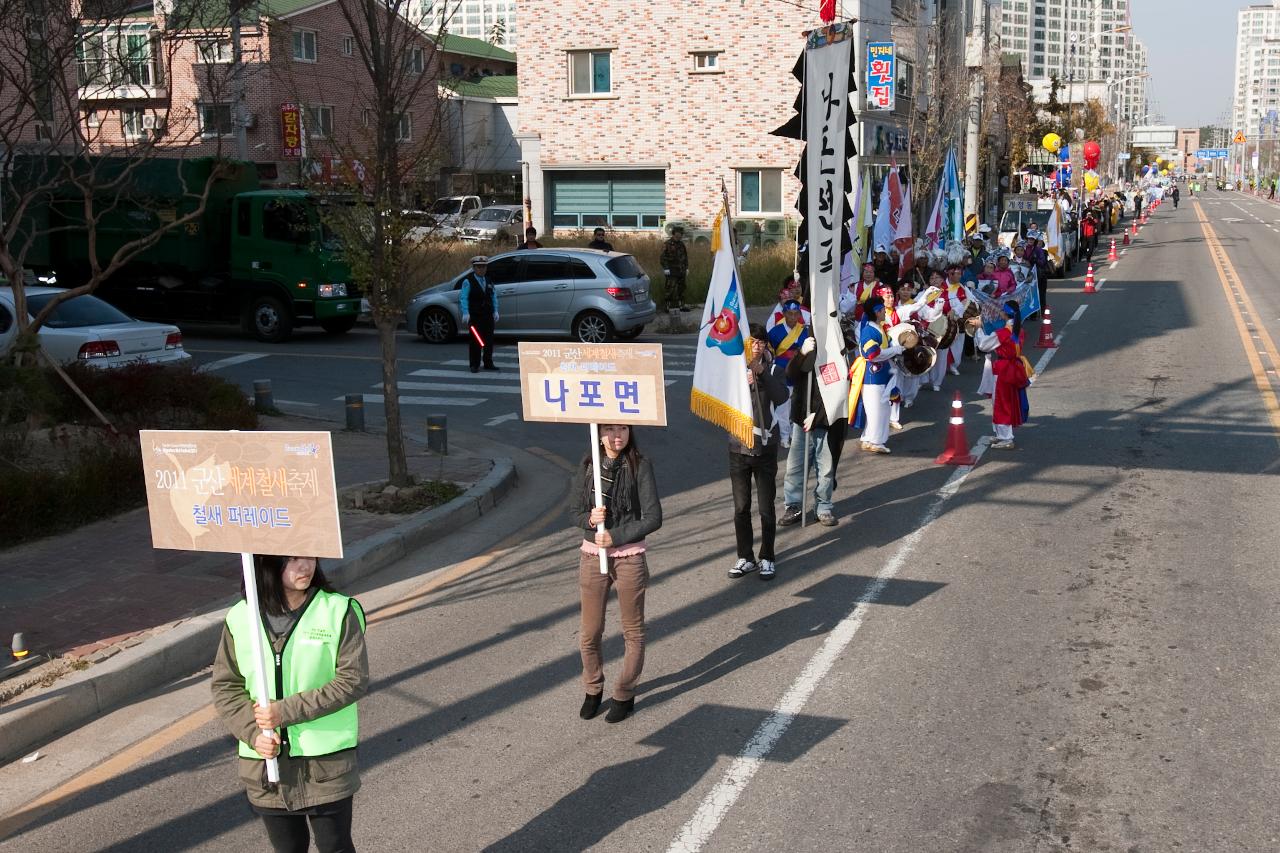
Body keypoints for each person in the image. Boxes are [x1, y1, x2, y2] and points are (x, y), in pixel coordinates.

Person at [212, 555, 368, 853]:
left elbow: (353, 679)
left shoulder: (339, 611)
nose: (305, 566)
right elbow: (226, 685)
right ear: (268, 564)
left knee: (334, 846)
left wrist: (283, 712)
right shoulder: (240, 617)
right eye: (293, 559)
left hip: (326, 763)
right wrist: (253, 733)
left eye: (309, 557)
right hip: (265, 765)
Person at [569, 423, 662, 723]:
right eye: (608, 428)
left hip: (629, 556)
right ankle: (593, 688)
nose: (616, 435)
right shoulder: (588, 464)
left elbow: (653, 517)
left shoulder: (640, 464)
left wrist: (617, 536)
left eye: (622, 428)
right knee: (590, 631)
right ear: (599, 432)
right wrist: (590, 518)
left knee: (632, 631)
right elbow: (574, 512)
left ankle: (625, 692)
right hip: (592, 556)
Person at [727, 324, 789, 581]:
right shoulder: (733, 370)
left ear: (766, 346)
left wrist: (761, 373)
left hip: (765, 447)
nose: (756, 346)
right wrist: (743, 382)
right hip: (738, 446)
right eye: (752, 342)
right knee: (741, 507)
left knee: (766, 507)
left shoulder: (774, 369)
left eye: (761, 342)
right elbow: (723, 400)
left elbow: (781, 396)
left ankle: (767, 557)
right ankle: (745, 557)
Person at [779, 336, 847, 527]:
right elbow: (790, 374)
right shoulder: (806, 352)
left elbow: (838, 394)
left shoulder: (835, 358)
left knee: (824, 469)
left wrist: (816, 417)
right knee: (795, 468)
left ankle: (823, 507)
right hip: (802, 421)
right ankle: (793, 506)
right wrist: (802, 353)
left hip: (824, 422)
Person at [849, 295, 902, 454]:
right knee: (878, 410)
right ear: (877, 312)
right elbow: (872, 354)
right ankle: (876, 442)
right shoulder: (869, 330)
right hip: (873, 376)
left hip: (880, 374)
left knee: (879, 408)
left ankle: (867, 438)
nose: (885, 311)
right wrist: (895, 350)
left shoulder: (878, 328)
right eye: (882, 309)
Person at [986, 301, 1031, 449]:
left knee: (1001, 402)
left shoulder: (1004, 332)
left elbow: (983, 345)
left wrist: (979, 329)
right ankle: (1001, 434)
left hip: (1003, 369)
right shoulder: (1018, 330)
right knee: (1004, 401)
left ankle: (1006, 438)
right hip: (1013, 367)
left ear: (1005, 313)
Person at [767, 300, 810, 448]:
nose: (792, 317)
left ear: (799, 314)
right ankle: (784, 436)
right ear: (784, 314)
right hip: (781, 373)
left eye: (796, 314)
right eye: (789, 314)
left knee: (797, 405)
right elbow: (768, 353)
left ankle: (794, 433)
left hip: (798, 371)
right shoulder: (774, 332)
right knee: (783, 407)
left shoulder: (804, 331)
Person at [460, 255, 499, 373]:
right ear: (474, 268)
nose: (482, 269)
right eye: (479, 267)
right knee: (476, 341)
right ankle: (474, 364)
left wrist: (495, 310)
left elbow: (493, 296)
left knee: (489, 340)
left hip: (487, 315)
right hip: (475, 316)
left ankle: (488, 362)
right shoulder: (468, 281)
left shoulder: (488, 279)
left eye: (484, 267)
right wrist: (465, 312)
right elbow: (464, 297)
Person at [660, 226, 689, 312]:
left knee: (682, 289)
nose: (680, 235)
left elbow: (685, 257)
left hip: (681, 270)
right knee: (670, 289)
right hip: (671, 271)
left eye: (681, 233)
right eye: (679, 233)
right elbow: (662, 258)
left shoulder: (681, 244)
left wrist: (686, 268)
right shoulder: (667, 244)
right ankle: (667, 306)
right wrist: (665, 268)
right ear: (674, 233)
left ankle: (682, 305)